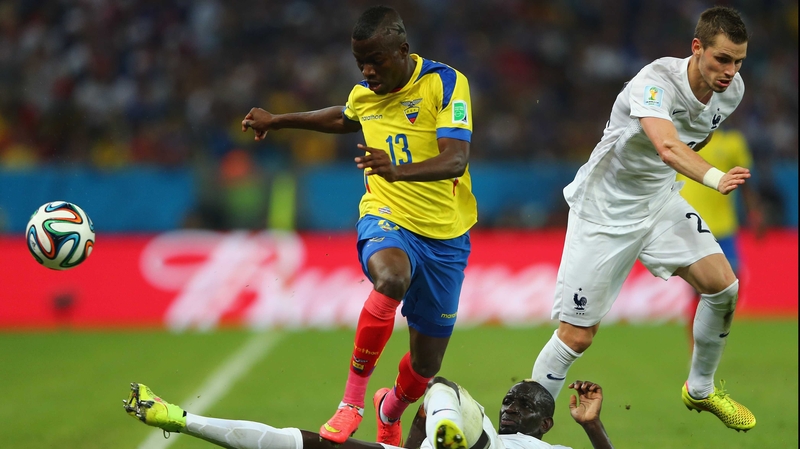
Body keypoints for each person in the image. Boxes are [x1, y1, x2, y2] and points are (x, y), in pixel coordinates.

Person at [241, 6, 476, 446]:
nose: (368, 72)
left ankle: (391, 407)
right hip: (386, 216)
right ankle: (352, 403)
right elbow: (343, 116)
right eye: (360, 63)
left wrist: (398, 169)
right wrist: (279, 120)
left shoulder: (445, 83)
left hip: (445, 236)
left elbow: (456, 158)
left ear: (403, 51)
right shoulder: (367, 92)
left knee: (426, 366)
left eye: (376, 61)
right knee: (391, 278)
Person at [530, 5, 757, 432]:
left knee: (724, 287)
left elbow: (697, 135)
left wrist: (692, 173)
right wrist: (714, 177)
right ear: (697, 48)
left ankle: (701, 389)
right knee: (576, 337)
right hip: (604, 212)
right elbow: (669, 146)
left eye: (738, 61)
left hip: (658, 202)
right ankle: (520, 429)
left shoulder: (733, 90)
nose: (730, 71)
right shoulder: (654, 82)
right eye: (722, 59)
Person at [122, 377, 613, 449]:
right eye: (510, 398)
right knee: (296, 443)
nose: (512, 406)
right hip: (464, 443)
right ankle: (178, 418)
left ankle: (393, 423)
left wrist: (592, 427)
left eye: (525, 405)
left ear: (545, 425)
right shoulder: (485, 427)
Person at [676, 126, 765, 343]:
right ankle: (696, 343)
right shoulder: (680, 139)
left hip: (724, 227)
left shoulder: (733, 142)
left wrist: (753, 212)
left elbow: (745, 184)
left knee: (733, 284)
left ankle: (709, 335)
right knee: (702, 289)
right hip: (692, 225)